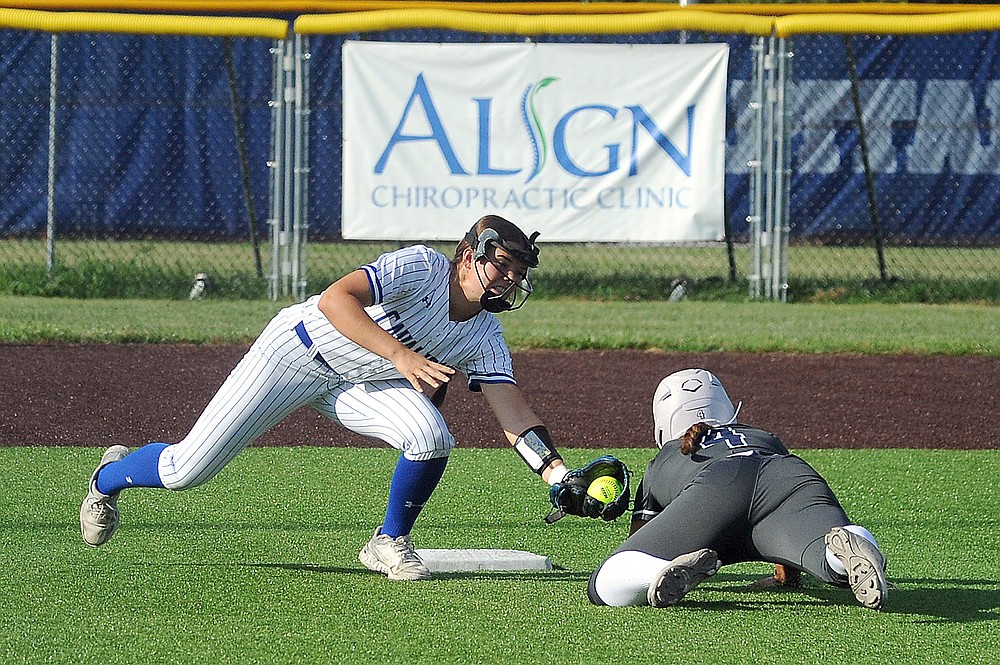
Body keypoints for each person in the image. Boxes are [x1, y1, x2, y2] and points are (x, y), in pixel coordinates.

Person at [80, 215, 581, 581]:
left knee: (431, 435)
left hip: (358, 381)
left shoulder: (486, 333)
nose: (511, 280)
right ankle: (107, 478)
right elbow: (334, 299)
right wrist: (402, 358)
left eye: (519, 273)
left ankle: (388, 542)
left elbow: (511, 408)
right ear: (471, 254)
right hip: (296, 352)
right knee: (184, 471)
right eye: (503, 266)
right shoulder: (424, 266)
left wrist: (557, 474)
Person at [587, 368, 890, 610]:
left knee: (607, 581)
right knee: (825, 556)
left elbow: (639, 542)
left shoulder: (663, 459)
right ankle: (850, 545)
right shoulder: (762, 436)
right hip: (788, 474)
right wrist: (785, 575)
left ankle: (658, 574)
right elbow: (768, 493)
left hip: (716, 489)